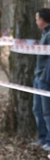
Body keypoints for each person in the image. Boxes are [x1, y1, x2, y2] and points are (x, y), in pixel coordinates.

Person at [31, 8, 50, 152]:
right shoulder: (45, 34)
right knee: (37, 109)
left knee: (47, 111)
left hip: (45, 79)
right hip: (39, 78)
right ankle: (43, 138)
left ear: (42, 19)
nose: (36, 21)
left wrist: (44, 76)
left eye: (37, 18)